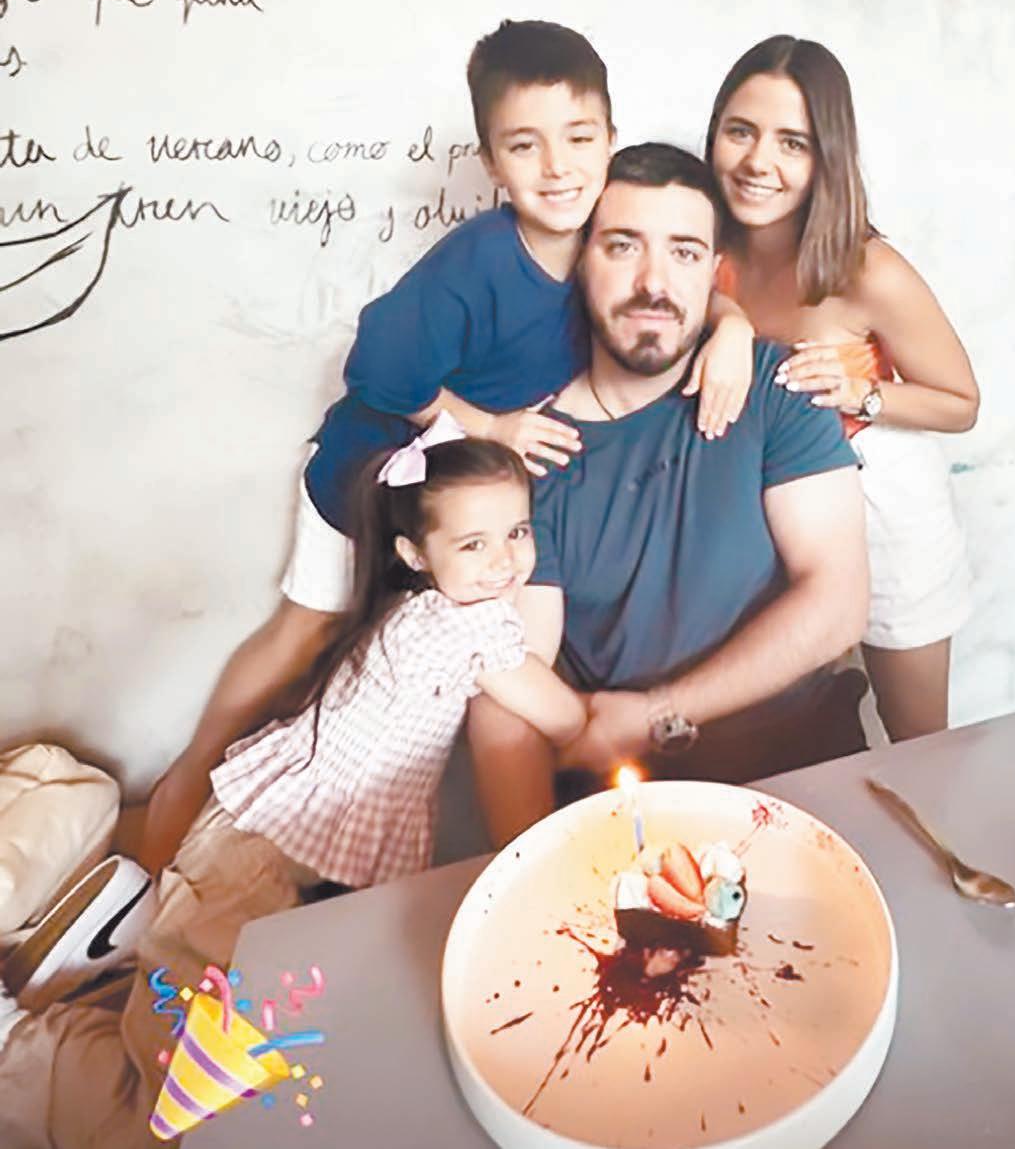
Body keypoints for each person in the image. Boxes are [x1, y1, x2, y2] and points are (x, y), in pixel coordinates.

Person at [140, 19, 753, 872]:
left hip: (448, 498)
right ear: (492, 163)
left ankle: (309, 837)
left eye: (579, 139)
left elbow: (663, 279)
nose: (558, 167)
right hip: (365, 471)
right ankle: (186, 782)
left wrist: (734, 324)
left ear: (610, 140)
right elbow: (375, 368)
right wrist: (493, 425)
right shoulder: (477, 262)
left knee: (396, 665)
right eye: (526, 146)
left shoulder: (596, 239)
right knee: (306, 634)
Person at [0, 425, 585, 1147]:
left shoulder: (425, 606)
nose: (505, 561)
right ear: (416, 553)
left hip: (293, 848)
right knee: (181, 1069)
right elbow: (565, 714)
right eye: (474, 544)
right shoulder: (458, 628)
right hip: (261, 849)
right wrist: (617, 722)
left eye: (518, 532)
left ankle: (86, 1006)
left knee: (217, 1045)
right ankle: (20, 1046)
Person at [467, 142, 870, 848]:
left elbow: (837, 603)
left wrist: (660, 710)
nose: (653, 283)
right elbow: (511, 680)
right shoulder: (533, 451)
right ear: (579, 260)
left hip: (807, 776)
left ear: (715, 274)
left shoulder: (778, 388)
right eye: (623, 246)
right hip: (634, 818)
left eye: (683, 253)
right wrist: (527, 875)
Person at [705, 35, 979, 741]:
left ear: (826, 155)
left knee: (916, 740)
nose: (758, 161)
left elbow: (961, 402)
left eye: (792, 143)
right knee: (794, 736)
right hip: (764, 521)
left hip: (885, 515)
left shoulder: (867, 268)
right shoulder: (701, 247)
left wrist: (864, 394)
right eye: (741, 131)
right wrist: (727, 320)